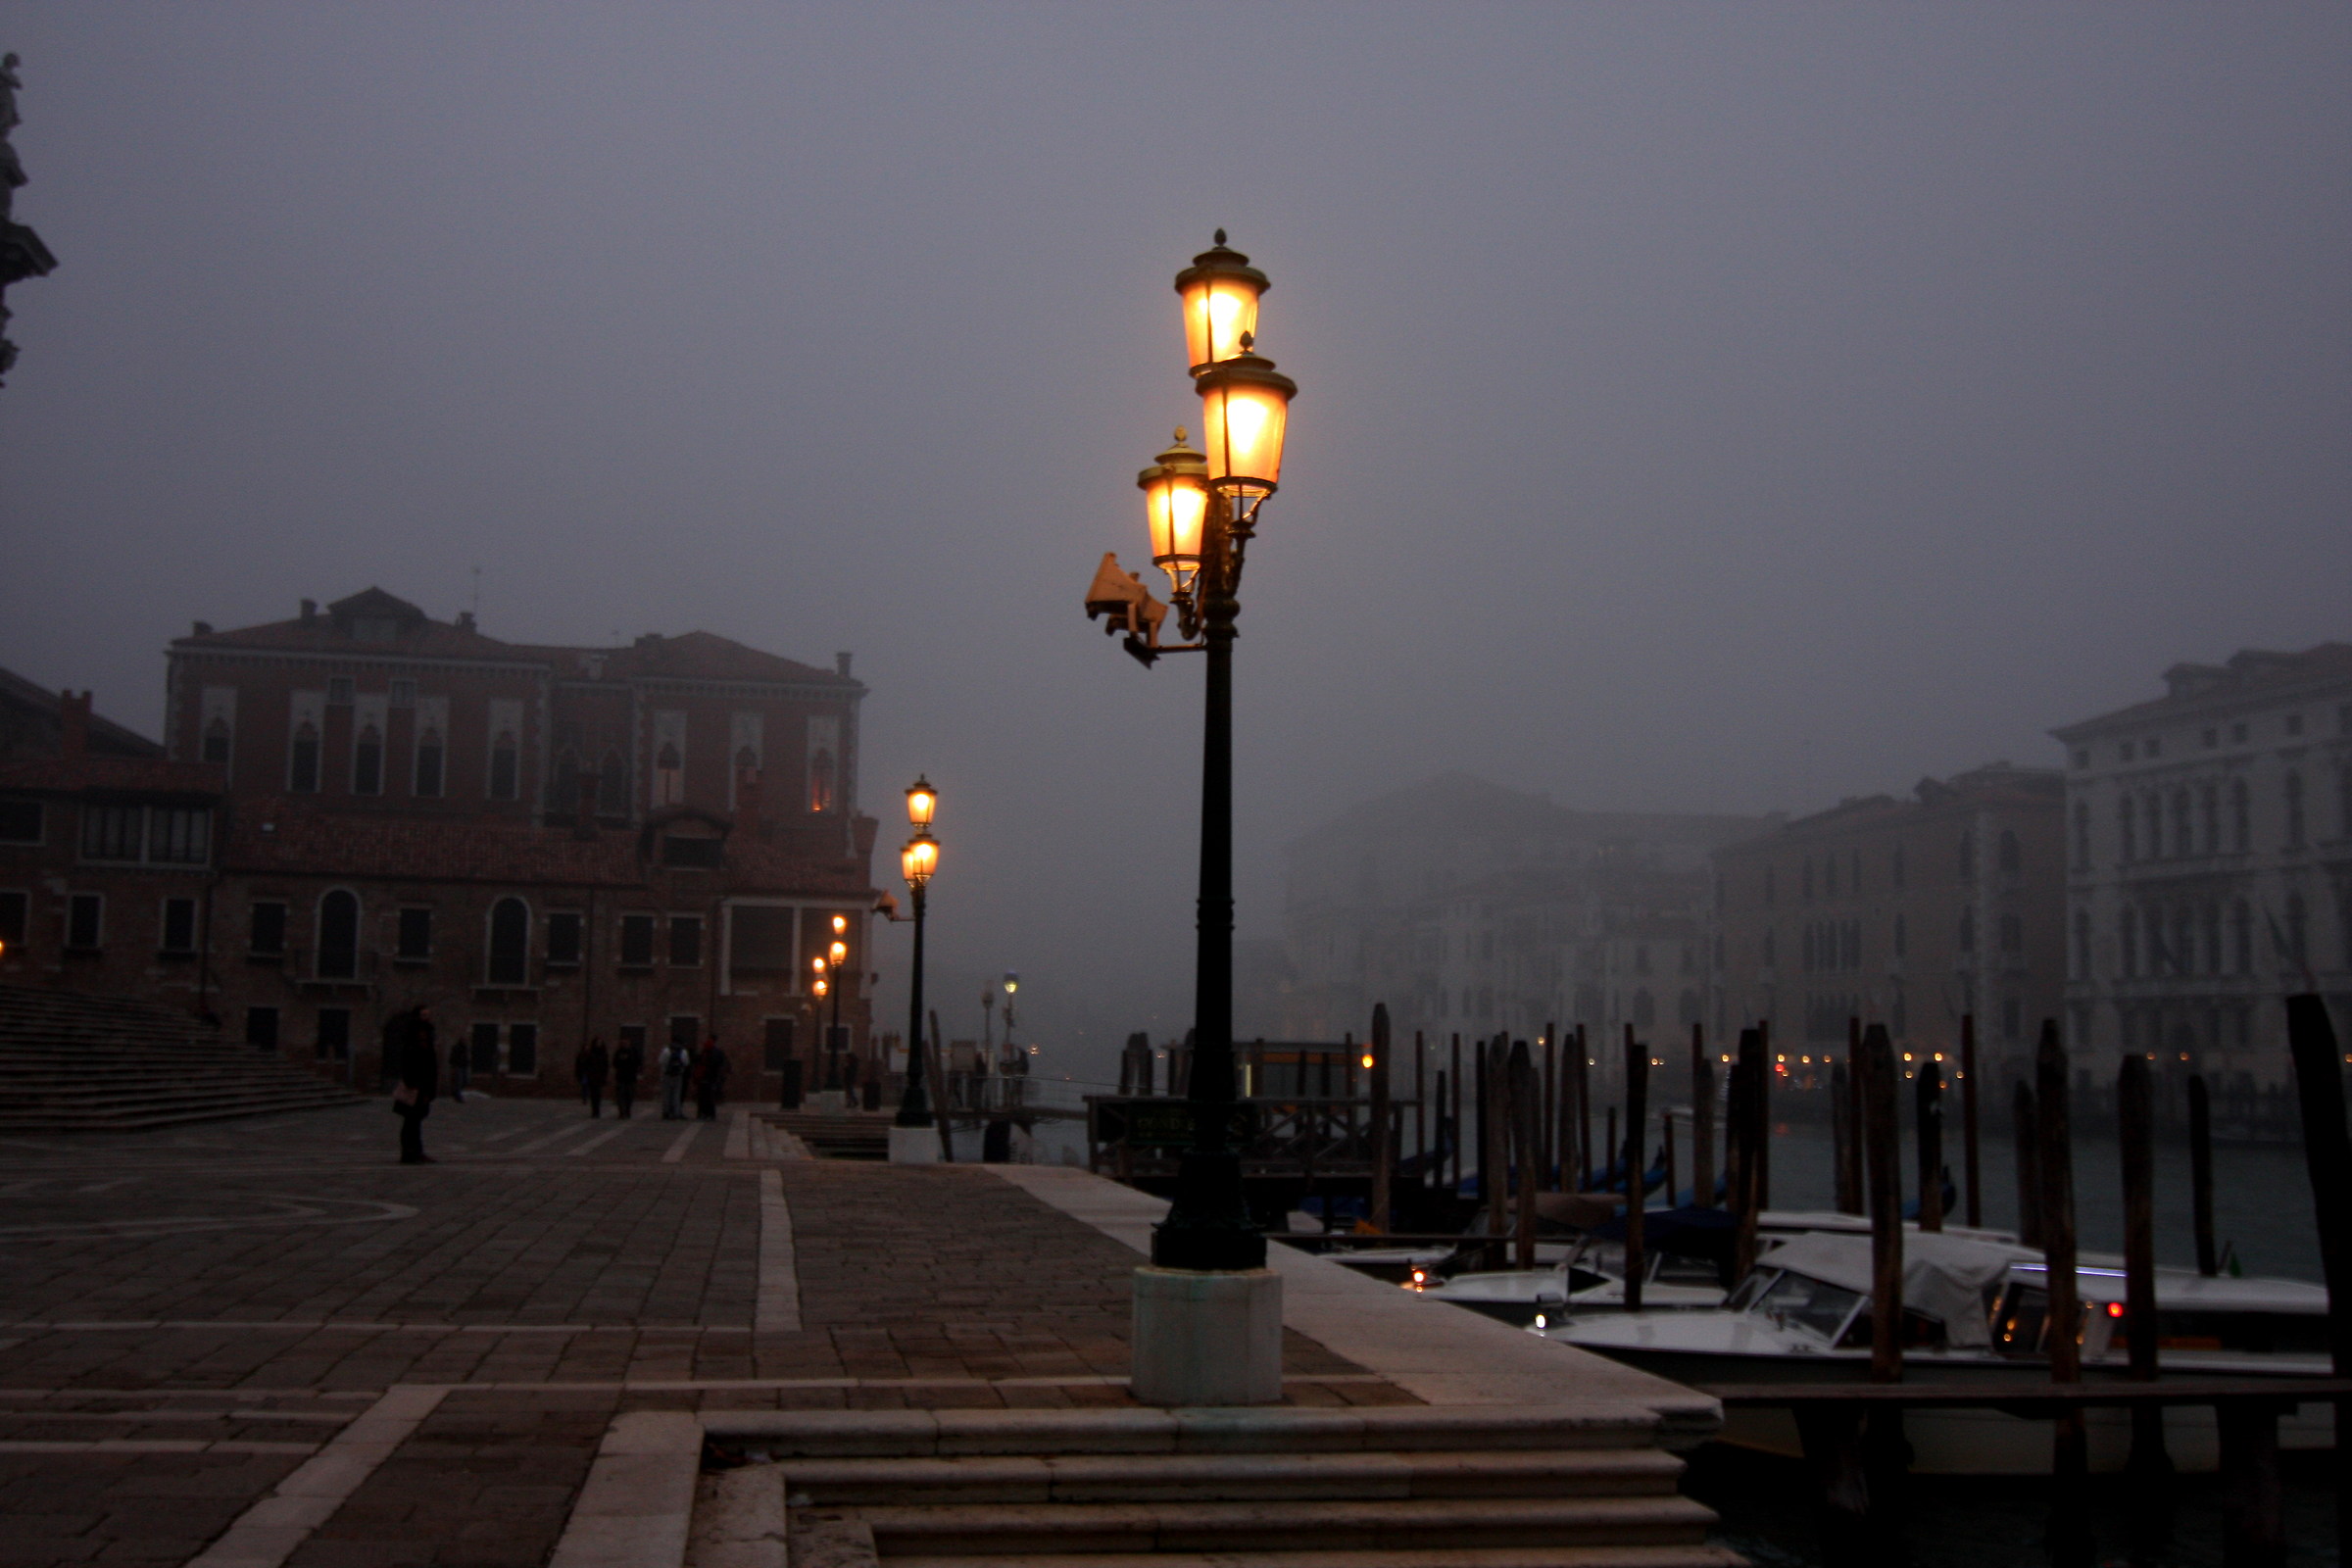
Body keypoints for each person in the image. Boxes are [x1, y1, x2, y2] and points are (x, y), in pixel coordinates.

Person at [393, 1004, 438, 1164]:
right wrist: (414, 1084)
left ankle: (417, 1151)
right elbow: (410, 1065)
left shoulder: (427, 1041)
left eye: (428, 1014)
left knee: (416, 1121)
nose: (426, 1017)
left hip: (423, 1087)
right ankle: (409, 1153)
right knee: (411, 1121)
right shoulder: (412, 1044)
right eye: (423, 1015)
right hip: (415, 1087)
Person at [694, 1035, 729, 1121]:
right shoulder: (715, 1052)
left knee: (704, 1097)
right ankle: (708, 1114)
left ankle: (704, 1113)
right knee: (708, 1097)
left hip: (706, 1077)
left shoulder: (706, 1052)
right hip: (710, 1077)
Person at [612, 1036, 643, 1119]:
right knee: (620, 1095)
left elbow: (638, 1062)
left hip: (631, 1077)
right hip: (621, 1077)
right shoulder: (619, 1052)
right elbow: (614, 1063)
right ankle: (622, 1112)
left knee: (629, 1095)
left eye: (626, 1042)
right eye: (623, 1042)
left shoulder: (633, 1051)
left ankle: (627, 1110)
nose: (625, 1044)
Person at [661, 1037, 691, 1120]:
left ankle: (666, 1112)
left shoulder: (666, 1050)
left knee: (667, 1094)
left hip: (667, 1075)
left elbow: (661, 1061)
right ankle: (676, 1112)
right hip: (678, 1075)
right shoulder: (683, 1051)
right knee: (676, 1094)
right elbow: (686, 1063)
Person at [579, 1037, 610, 1117]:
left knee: (598, 1094)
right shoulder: (591, 1053)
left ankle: (597, 1111)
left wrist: (604, 1076)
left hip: (600, 1076)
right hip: (592, 1076)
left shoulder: (604, 1054)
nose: (598, 1044)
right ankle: (594, 1111)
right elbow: (586, 1064)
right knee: (593, 1094)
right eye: (597, 1042)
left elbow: (606, 1066)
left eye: (600, 1042)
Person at [446, 1033, 469, 1103]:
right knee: (459, 1081)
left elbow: (466, 1057)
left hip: (464, 1066)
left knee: (465, 1081)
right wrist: (454, 1065)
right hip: (458, 1066)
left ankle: (456, 1092)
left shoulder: (465, 1048)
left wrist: (467, 1062)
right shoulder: (456, 1048)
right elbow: (452, 1057)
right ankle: (457, 1096)